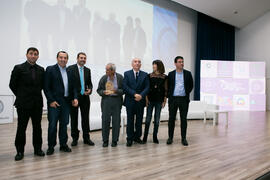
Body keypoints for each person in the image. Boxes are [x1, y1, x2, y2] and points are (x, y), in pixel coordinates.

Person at [9, 47, 45, 161]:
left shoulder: (41, 69)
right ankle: (20, 151)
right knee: (21, 128)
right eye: (31, 54)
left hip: (37, 104)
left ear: (38, 56)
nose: (33, 56)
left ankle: (38, 149)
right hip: (23, 104)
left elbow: (42, 86)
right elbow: (12, 85)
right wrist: (21, 95)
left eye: (35, 54)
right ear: (26, 55)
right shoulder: (19, 68)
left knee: (37, 128)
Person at [44, 51, 78, 155]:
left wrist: (75, 98)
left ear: (67, 59)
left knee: (64, 125)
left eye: (65, 58)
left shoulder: (70, 71)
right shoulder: (50, 69)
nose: (63, 59)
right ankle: (51, 146)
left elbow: (74, 87)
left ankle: (63, 144)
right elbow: (46, 87)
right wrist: (51, 100)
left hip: (66, 103)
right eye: (61, 57)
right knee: (53, 125)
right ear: (57, 58)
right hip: (54, 103)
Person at [67, 52, 94, 146]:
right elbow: (69, 84)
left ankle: (86, 138)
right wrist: (73, 97)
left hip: (85, 98)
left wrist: (90, 90)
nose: (83, 59)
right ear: (77, 58)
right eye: (81, 58)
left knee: (85, 118)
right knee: (74, 118)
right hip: (74, 98)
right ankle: (75, 138)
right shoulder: (70, 69)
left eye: (84, 58)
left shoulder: (88, 70)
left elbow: (89, 83)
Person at [167, 56, 193, 146]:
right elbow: (168, 86)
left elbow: (191, 85)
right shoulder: (170, 74)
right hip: (173, 99)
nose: (181, 63)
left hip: (184, 99)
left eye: (182, 61)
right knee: (171, 119)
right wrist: (169, 96)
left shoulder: (188, 73)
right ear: (175, 63)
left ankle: (184, 138)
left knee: (183, 119)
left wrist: (185, 93)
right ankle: (170, 138)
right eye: (179, 62)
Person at [123, 58, 149, 147]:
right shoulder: (127, 74)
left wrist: (141, 95)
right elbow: (125, 87)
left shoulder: (145, 75)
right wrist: (134, 94)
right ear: (132, 64)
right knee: (130, 121)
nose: (137, 63)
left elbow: (147, 87)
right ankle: (129, 138)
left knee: (139, 121)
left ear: (140, 64)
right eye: (135, 62)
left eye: (139, 62)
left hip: (140, 102)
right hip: (130, 101)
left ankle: (137, 137)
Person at [97, 63, 123, 147]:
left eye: (107, 70)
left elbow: (124, 90)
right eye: (106, 69)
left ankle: (115, 140)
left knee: (116, 121)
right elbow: (99, 90)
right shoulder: (104, 78)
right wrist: (103, 92)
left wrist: (116, 91)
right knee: (105, 121)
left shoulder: (120, 77)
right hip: (106, 101)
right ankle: (105, 140)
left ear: (113, 70)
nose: (106, 71)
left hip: (117, 101)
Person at [143, 60, 168, 144]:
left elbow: (166, 90)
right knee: (148, 119)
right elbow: (146, 88)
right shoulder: (149, 76)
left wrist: (165, 100)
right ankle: (145, 137)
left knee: (157, 120)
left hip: (159, 101)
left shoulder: (165, 77)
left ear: (159, 66)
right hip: (150, 100)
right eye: (153, 64)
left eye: (155, 64)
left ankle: (155, 136)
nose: (153, 66)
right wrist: (146, 99)